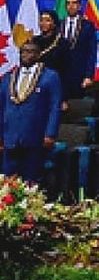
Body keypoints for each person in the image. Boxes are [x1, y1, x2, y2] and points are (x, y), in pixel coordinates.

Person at [0, 41, 62, 183]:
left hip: (35, 136)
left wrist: (50, 133)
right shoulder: (8, 77)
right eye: (23, 52)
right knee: (8, 181)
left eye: (31, 51)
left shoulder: (50, 77)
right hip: (10, 136)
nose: (26, 55)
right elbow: (2, 107)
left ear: (39, 54)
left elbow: (54, 107)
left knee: (31, 181)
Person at [57, 0, 98, 106]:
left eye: (74, 3)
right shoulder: (58, 25)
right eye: (68, 3)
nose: (71, 6)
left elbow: (92, 52)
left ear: (79, 6)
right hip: (61, 73)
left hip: (79, 73)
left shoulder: (87, 26)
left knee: (76, 106)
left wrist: (89, 75)